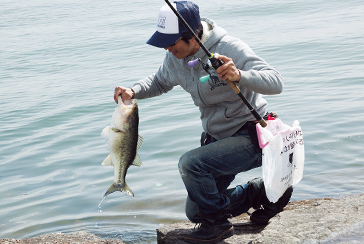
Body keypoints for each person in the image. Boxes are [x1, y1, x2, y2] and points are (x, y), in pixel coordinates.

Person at [114, 1, 293, 243]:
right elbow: (159, 81)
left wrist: (239, 75)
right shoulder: (174, 58)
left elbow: (276, 82)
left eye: (171, 41)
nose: (166, 47)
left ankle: (217, 225)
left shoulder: (229, 47)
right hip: (217, 138)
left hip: (252, 136)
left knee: (190, 164)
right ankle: (260, 192)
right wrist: (133, 91)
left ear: (192, 36)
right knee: (195, 211)